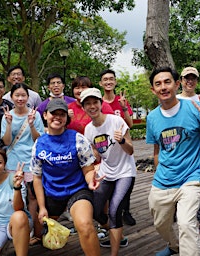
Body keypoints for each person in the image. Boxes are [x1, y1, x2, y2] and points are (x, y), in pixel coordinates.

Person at [146, 67, 200, 256]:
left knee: (186, 223)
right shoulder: (152, 118)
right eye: (158, 84)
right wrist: (159, 173)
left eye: (167, 82)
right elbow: (157, 150)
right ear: (153, 90)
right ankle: (174, 246)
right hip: (163, 180)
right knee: (160, 223)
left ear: (177, 84)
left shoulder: (193, 109)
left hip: (191, 177)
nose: (163, 87)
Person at [31, 98, 102, 256]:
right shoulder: (39, 144)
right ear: (45, 116)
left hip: (77, 190)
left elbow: (88, 170)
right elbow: (37, 177)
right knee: (40, 231)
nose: (57, 117)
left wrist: (92, 181)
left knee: (84, 225)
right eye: (53, 113)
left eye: (61, 114)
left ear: (66, 118)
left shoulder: (77, 139)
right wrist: (42, 207)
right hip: (52, 193)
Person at [82, 88, 136, 255]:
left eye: (95, 102)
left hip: (125, 171)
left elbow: (130, 150)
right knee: (96, 211)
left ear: (101, 103)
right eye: (88, 104)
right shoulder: (88, 130)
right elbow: (97, 153)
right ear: (83, 108)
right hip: (107, 172)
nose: (92, 107)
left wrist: (121, 141)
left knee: (114, 210)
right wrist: (93, 164)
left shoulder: (116, 121)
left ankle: (114, 253)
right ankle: (117, 234)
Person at [1, 83, 45, 245]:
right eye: (17, 95)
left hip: (32, 162)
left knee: (33, 197)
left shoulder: (35, 115)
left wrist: (32, 124)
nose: (20, 98)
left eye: (23, 95)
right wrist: (9, 124)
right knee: (15, 197)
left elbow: (38, 139)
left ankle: (31, 228)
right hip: (13, 162)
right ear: (12, 98)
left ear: (28, 97)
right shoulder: (7, 115)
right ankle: (17, 228)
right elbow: (6, 141)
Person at [177, 66, 200, 236]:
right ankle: (182, 215)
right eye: (186, 78)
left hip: (199, 149)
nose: (190, 81)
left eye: (193, 78)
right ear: (181, 81)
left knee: (198, 185)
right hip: (177, 149)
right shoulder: (173, 99)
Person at [99, 69, 136, 226]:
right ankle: (111, 214)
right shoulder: (97, 102)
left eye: (111, 79)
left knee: (127, 180)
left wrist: (124, 108)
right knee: (109, 183)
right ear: (101, 83)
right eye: (105, 79)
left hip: (123, 145)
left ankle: (125, 211)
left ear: (115, 82)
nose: (108, 82)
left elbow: (131, 124)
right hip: (106, 148)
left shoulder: (121, 101)